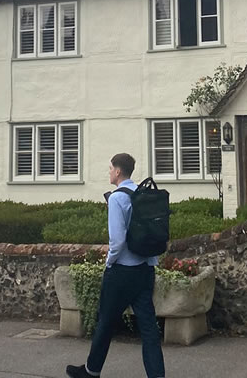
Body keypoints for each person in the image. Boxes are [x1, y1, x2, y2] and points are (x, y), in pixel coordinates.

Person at [66, 153, 165, 378]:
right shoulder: (142, 194)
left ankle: (92, 371)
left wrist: (109, 263)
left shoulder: (116, 198)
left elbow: (117, 241)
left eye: (110, 168)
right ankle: (157, 376)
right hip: (145, 269)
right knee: (149, 328)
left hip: (122, 272)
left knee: (106, 322)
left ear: (118, 171)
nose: (109, 172)